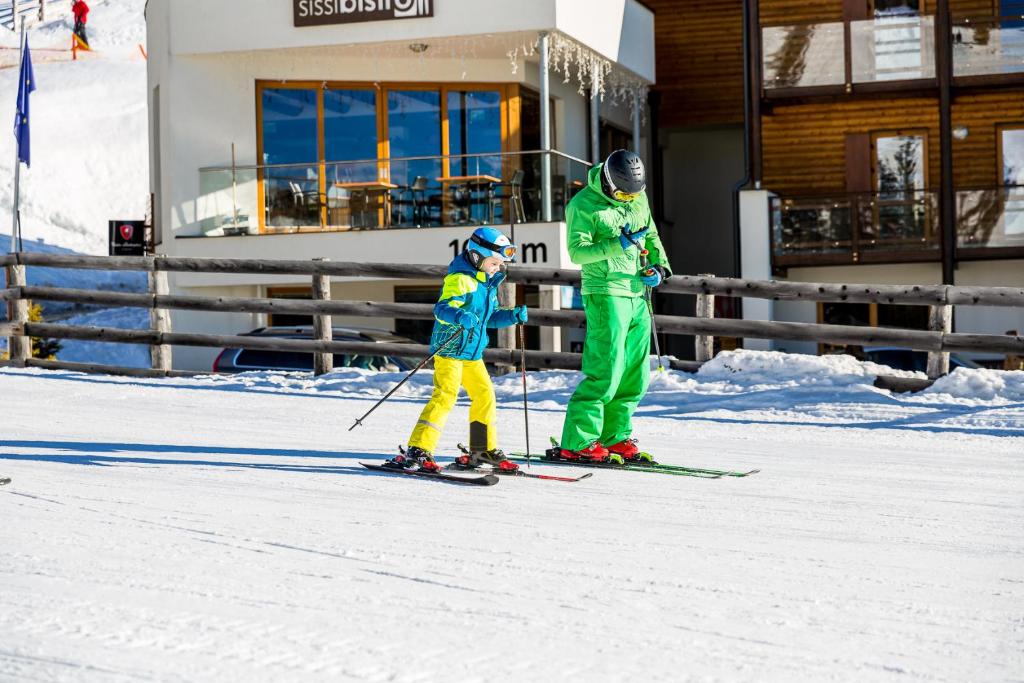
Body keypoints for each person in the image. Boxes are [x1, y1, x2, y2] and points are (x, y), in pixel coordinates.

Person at [558, 149, 673, 462]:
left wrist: (659, 268)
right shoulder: (583, 205)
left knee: (635, 373)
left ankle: (615, 435)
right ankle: (578, 440)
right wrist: (616, 244)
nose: (627, 199)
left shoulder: (637, 199)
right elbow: (577, 253)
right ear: (607, 183)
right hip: (605, 292)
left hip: (637, 292)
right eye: (622, 193)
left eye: (633, 194)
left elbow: (651, 237)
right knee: (606, 369)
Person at [386, 226, 528, 473]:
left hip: (472, 354)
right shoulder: (460, 279)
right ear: (476, 256)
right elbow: (441, 310)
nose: (497, 268)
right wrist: (460, 315)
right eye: (494, 263)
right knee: (445, 395)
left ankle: (482, 448)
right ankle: (419, 449)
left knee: (485, 395)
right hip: (450, 349)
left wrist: (511, 316)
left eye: (500, 265)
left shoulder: (487, 284)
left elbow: (489, 318)